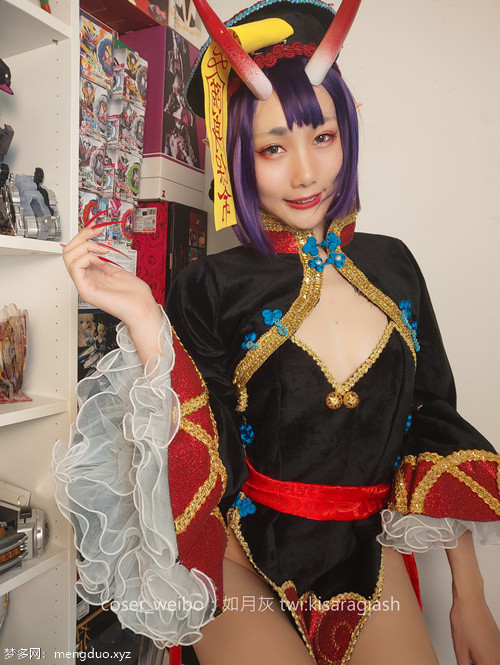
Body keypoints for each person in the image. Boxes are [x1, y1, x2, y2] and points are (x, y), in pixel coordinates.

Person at [53, 1, 500, 664]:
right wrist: (146, 318)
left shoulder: (396, 265)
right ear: (238, 157)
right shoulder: (210, 284)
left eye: (322, 137)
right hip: (242, 555)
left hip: (363, 555)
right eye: (272, 148)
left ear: (348, 134)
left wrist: (471, 592)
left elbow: (431, 416)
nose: (305, 172)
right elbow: (197, 442)